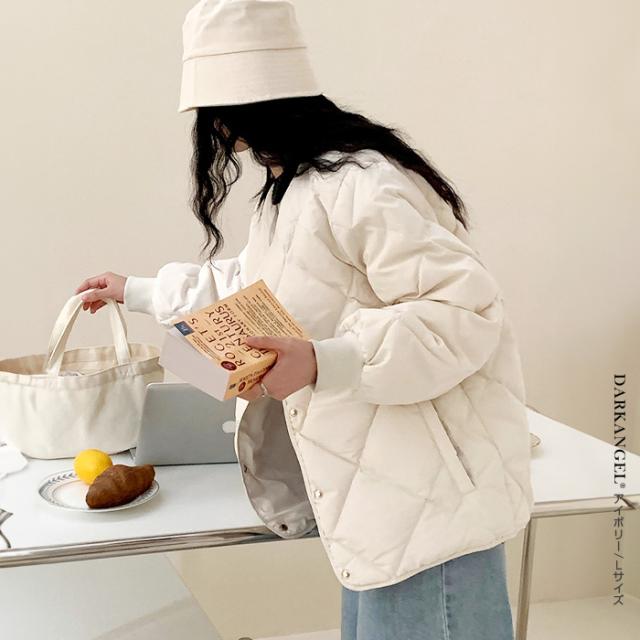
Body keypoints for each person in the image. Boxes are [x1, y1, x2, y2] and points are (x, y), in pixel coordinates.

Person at [76, 1, 533, 638]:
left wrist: (324, 361)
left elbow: (463, 312)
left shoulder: (360, 183)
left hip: (428, 504)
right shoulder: (294, 187)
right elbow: (259, 288)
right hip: (379, 499)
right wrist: (140, 292)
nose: (215, 134)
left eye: (216, 115)